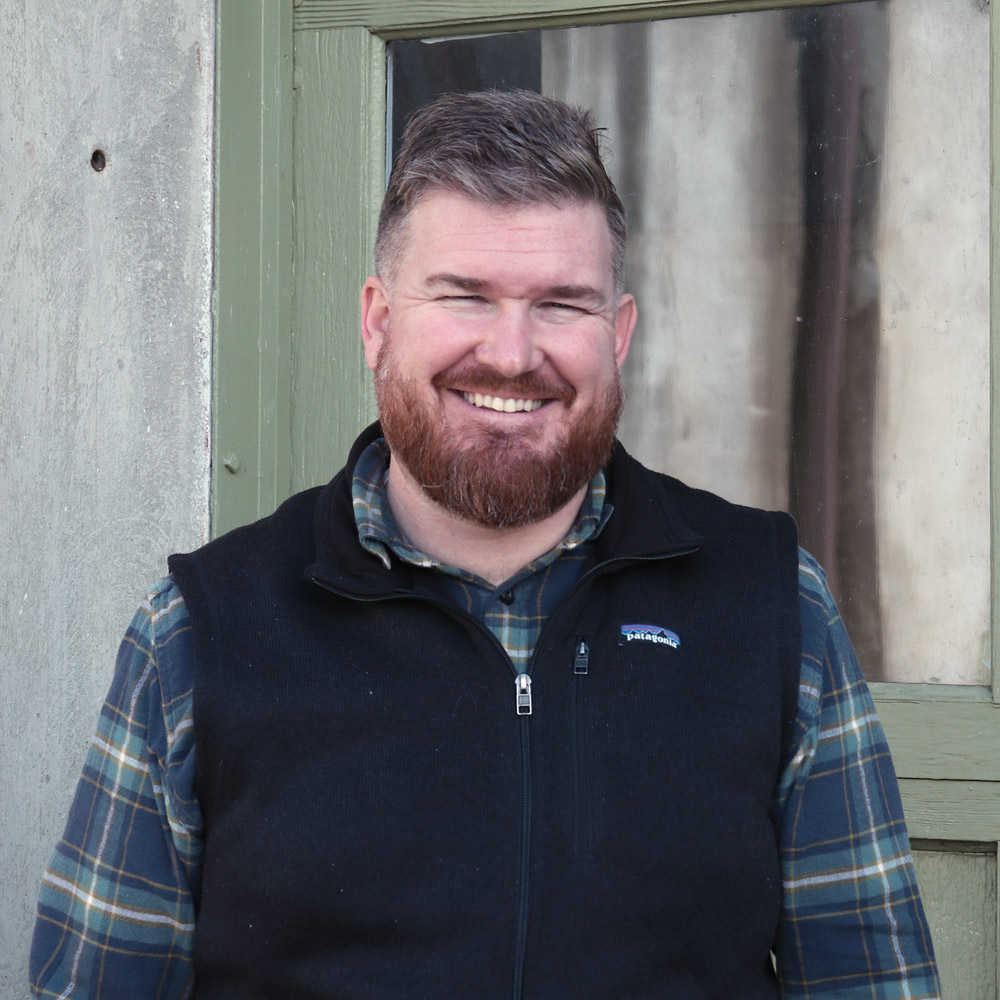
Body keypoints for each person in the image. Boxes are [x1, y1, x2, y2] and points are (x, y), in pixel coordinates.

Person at [31, 89, 940, 999]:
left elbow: (871, 981)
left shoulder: (772, 606)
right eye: (466, 295)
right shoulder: (201, 633)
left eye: (560, 305)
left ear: (617, 334)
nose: (511, 354)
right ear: (379, 322)